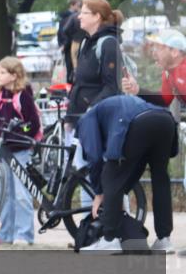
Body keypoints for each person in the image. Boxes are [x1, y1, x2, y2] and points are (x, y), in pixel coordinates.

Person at [76, 95, 177, 253]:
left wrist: (99, 192)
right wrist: (118, 194)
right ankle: (164, 240)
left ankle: (110, 240)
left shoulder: (86, 119)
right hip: (165, 120)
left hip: (139, 123)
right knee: (160, 179)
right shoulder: (110, 108)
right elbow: (135, 166)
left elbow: (94, 157)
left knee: (110, 175)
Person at [0, 57, 40, 246]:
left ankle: (24, 235)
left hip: (20, 151)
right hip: (2, 151)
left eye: (2, 72)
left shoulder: (23, 97)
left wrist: (19, 131)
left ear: (14, 76)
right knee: (4, 194)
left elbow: (33, 124)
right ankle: (6, 234)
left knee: (21, 195)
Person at [66, 0, 124, 124]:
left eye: (84, 13)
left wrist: (92, 110)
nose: (79, 17)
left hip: (98, 120)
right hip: (79, 117)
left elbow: (112, 87)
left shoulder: (109, 44)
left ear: (97, 16)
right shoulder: (86, 42)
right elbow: (79, 83)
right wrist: (69, 118)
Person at [122, 28, 186, 107]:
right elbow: (165, 99)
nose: (154, 53)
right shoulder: (168, 72)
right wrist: (137, 90)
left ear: (174, 52)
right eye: (153, 48)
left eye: (158, 48)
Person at [56, 0, 84, 84]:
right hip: (76, 43)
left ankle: (71, 85)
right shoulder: (75, 16)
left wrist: (63, 43)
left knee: (72, 67)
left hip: (72, 44)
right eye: (77, 5)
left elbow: (62, 31)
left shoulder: (68, 17)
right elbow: (63, 31)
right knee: (77, 66)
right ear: (72, 5)